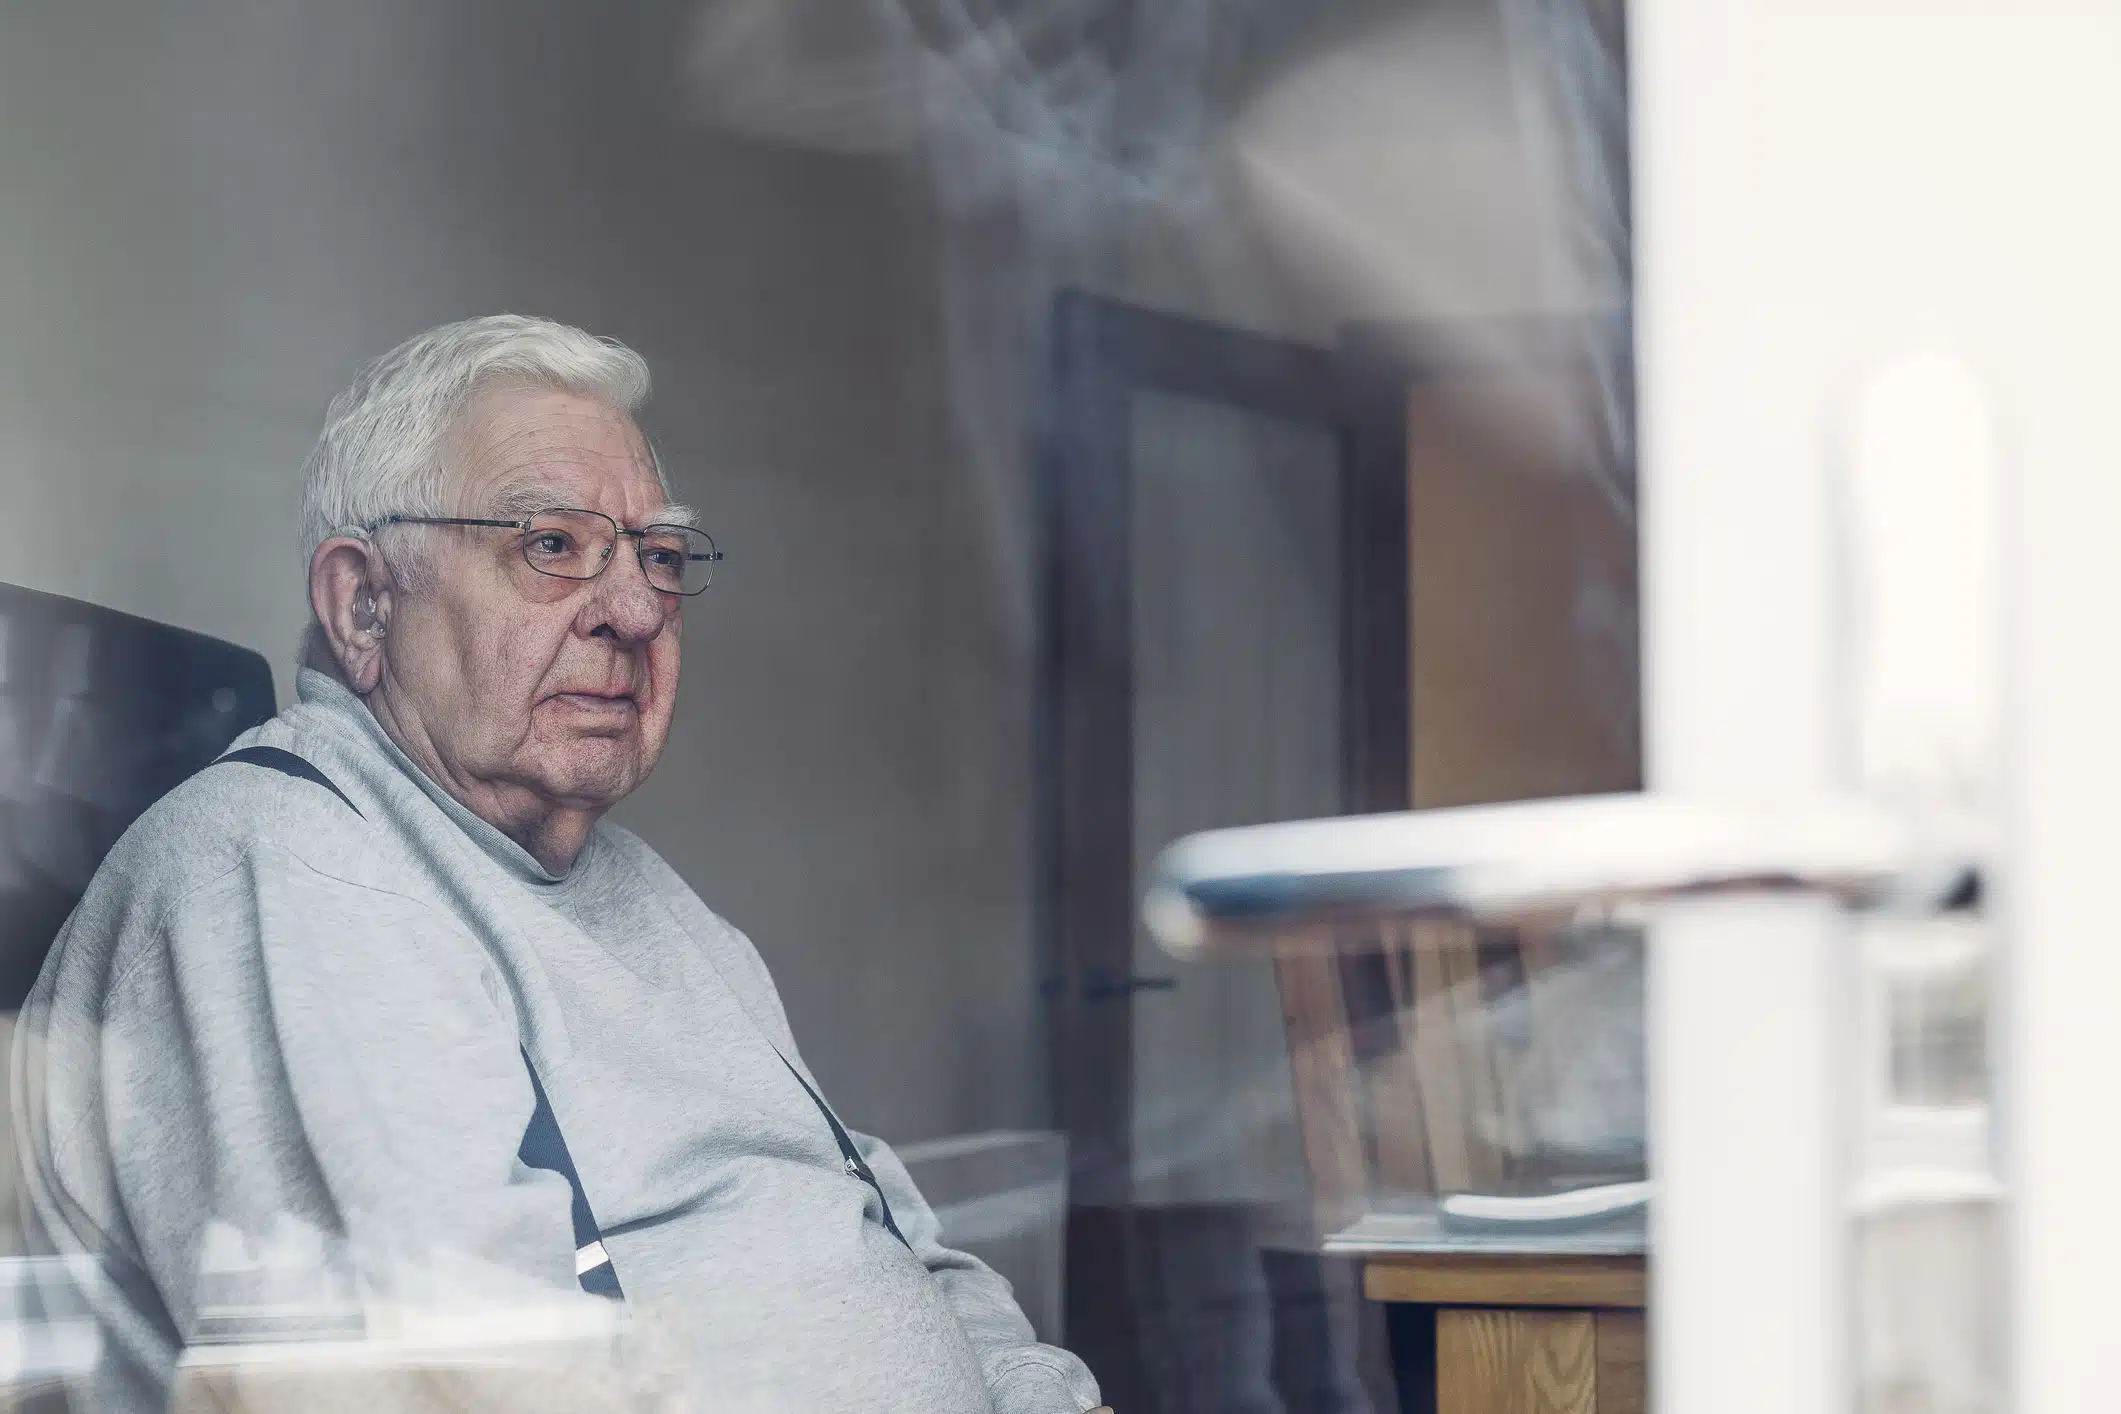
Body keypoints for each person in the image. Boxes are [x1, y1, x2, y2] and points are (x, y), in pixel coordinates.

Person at [15, 315, 1105, 1413]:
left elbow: (889, 1232)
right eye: (551, 545)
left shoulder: (653, 900)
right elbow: (460, 1385)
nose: (635, 611)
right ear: (363, 603)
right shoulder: (279, 868)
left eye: (661, 556)